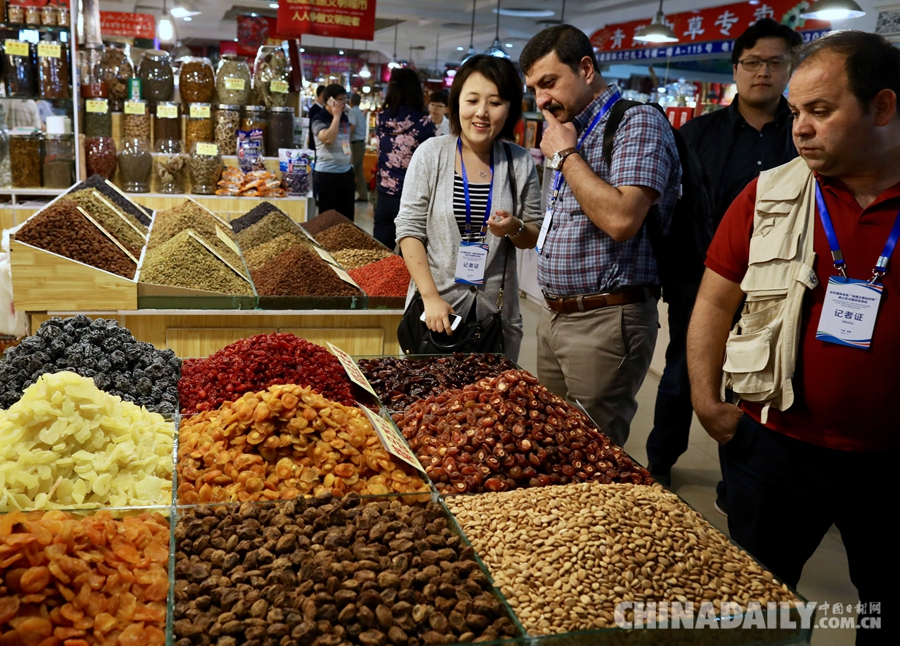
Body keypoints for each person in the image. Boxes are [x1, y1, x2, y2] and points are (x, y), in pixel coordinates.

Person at [688, 31, 900, 642]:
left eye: (821, 111)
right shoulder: (770, 195)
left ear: (882, 107)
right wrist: (705, 397)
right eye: (797, 111)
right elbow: (715, 299)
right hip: (775, 449)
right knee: (760, 606)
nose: (800, 128)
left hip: (889, 464)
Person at [646, 19, 802, 494]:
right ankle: (658, 465)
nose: (763, 72)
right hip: (700, 281)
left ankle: (738, 485)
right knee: (681, 376)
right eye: (752, 62)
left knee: (756, 383)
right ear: (735, 69)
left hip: (778, 287)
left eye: (775, 62)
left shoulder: (802, 133)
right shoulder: (696, 134)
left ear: (789, 68)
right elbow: (671, 210)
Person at [520, 25, 681, 448]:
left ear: (586, 69)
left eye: (549, 82)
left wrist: (566, 156)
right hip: (555, 315)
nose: (541, 100)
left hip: (606, 320)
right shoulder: (573, 129)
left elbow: (622, 219)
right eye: (534, 89)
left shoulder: (636, 122)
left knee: (591, 451)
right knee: (549, 442)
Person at [396, 55, 542, 363]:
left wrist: (514, 227)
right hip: (434, 314)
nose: (481, 112)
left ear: (510, 109)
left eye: (495, 102)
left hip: (494, 319)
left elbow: (533, 234)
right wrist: (430, 297)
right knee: (423, 390)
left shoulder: (519, 162)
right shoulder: (431, 154)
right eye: (472, 100)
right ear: (456, 103)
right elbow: (409, 230)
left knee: (489, 393)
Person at [374, 68, 436, 249]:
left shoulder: (381, 119)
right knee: (410, 256)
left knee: (380, 254)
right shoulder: (424, 123)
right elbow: (430, 163)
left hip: (384, 195)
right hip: (413, 198)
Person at [310, 84, 355, 220]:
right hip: (326, 174)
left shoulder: (344, 117)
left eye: (345, 99)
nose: (344, 103)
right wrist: (336, 117)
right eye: (340, 99)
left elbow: (346, 141)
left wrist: (350, 164)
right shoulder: (319, 118)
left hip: (345, 172)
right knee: (327, 219)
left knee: (347, 218)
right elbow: (328, 139)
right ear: (330, 100)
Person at [347, 93, 369, 202]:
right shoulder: (359, 112)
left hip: (355, 144)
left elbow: (352, 127)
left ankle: (348, 193)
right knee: (359, 171)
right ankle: (363, 194)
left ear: (351, 101)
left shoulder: (352, 112)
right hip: (361, 144)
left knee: (350, 169)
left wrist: (346, 140)